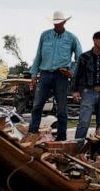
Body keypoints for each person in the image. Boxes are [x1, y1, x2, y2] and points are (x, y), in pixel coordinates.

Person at [28, 11, 83, 141]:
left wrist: (72, 71)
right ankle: (32, 133)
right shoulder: (45, 36)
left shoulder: (71, 38)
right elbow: (39, 55)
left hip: (61, 75)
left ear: (64, 22)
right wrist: (34, 74)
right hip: (45, 74)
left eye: (59, 23)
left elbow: (80, 57)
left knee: (62, 109)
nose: (57, 25)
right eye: (55, 23)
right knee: (37, 105)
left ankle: (61, 138)